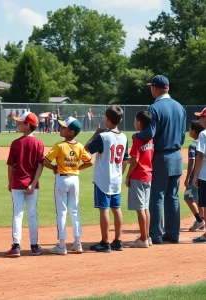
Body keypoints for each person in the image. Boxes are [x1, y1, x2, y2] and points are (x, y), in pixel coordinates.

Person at [135, 75, 186, 244]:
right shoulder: (180, 107)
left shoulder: (155, 107)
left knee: (157, 195)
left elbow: (150, 133)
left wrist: (135, 136)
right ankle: (173, 233)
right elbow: (183, 136)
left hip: (161, 156)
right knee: (172, 196)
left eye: (151, 87)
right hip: (177, 155)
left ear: (155, 89)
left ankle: (155, 234)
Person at [43, 117, 93, 255]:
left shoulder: (59, 146)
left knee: (62, 212)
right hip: (74, 179)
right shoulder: (80, 146)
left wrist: (54, 168)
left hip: (62, 179)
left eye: (64, 127)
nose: (61, 128)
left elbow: (45, 161)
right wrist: (76, 169)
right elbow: (89, 162)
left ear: (71, 132)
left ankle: (61, 245)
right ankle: (77, 243)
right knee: (75, 211)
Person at [85, 106, 128, 252]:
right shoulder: (124, 137)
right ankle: (118, 240)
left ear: (106, 119)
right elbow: (125, 159)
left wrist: (95, 134)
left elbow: (86, 149)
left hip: (103, 179)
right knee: (116, 209)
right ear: (120, 120)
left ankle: (105, 242)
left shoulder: (103, 136)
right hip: (116, 178)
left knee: (104, 209)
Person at [6, 112, 44, 257]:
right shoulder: (39, 143)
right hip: (32, 185)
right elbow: (40, 165)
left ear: (28, 125)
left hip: (17, 183)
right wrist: (33, 183)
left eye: (20, 122)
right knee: (32, 215)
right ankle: (34, 246)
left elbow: (10, 165)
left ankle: (16, 246)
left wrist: (10, 182)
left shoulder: (16, 143)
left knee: (17, 214)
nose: (18, 124)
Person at [125, 111, 154, 248]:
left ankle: (143, 238)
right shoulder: (150, 138)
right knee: (146, 208)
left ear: (140, 123)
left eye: (135, 120)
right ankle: (146, 237)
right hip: (148, 175)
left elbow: (135, 159)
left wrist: (128, 174)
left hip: (138, 176)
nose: (134, 122)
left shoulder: (139, 139)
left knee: (140, 209)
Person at [184, 121, 205, 232]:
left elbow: (192, 161)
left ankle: (199, 220)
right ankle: (203, 220)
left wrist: (188, 177)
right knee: (199, 199)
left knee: (188, 198)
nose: (189, 131)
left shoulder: (193, 145)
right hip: (203, 175)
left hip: (194, 176)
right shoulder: (203, 142)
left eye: (190, 129)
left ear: (194, 131)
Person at [192, 108, 206, 242]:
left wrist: (196, 174)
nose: (199, 119)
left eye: (202, 117)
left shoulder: (204, 134)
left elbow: (201, 155)